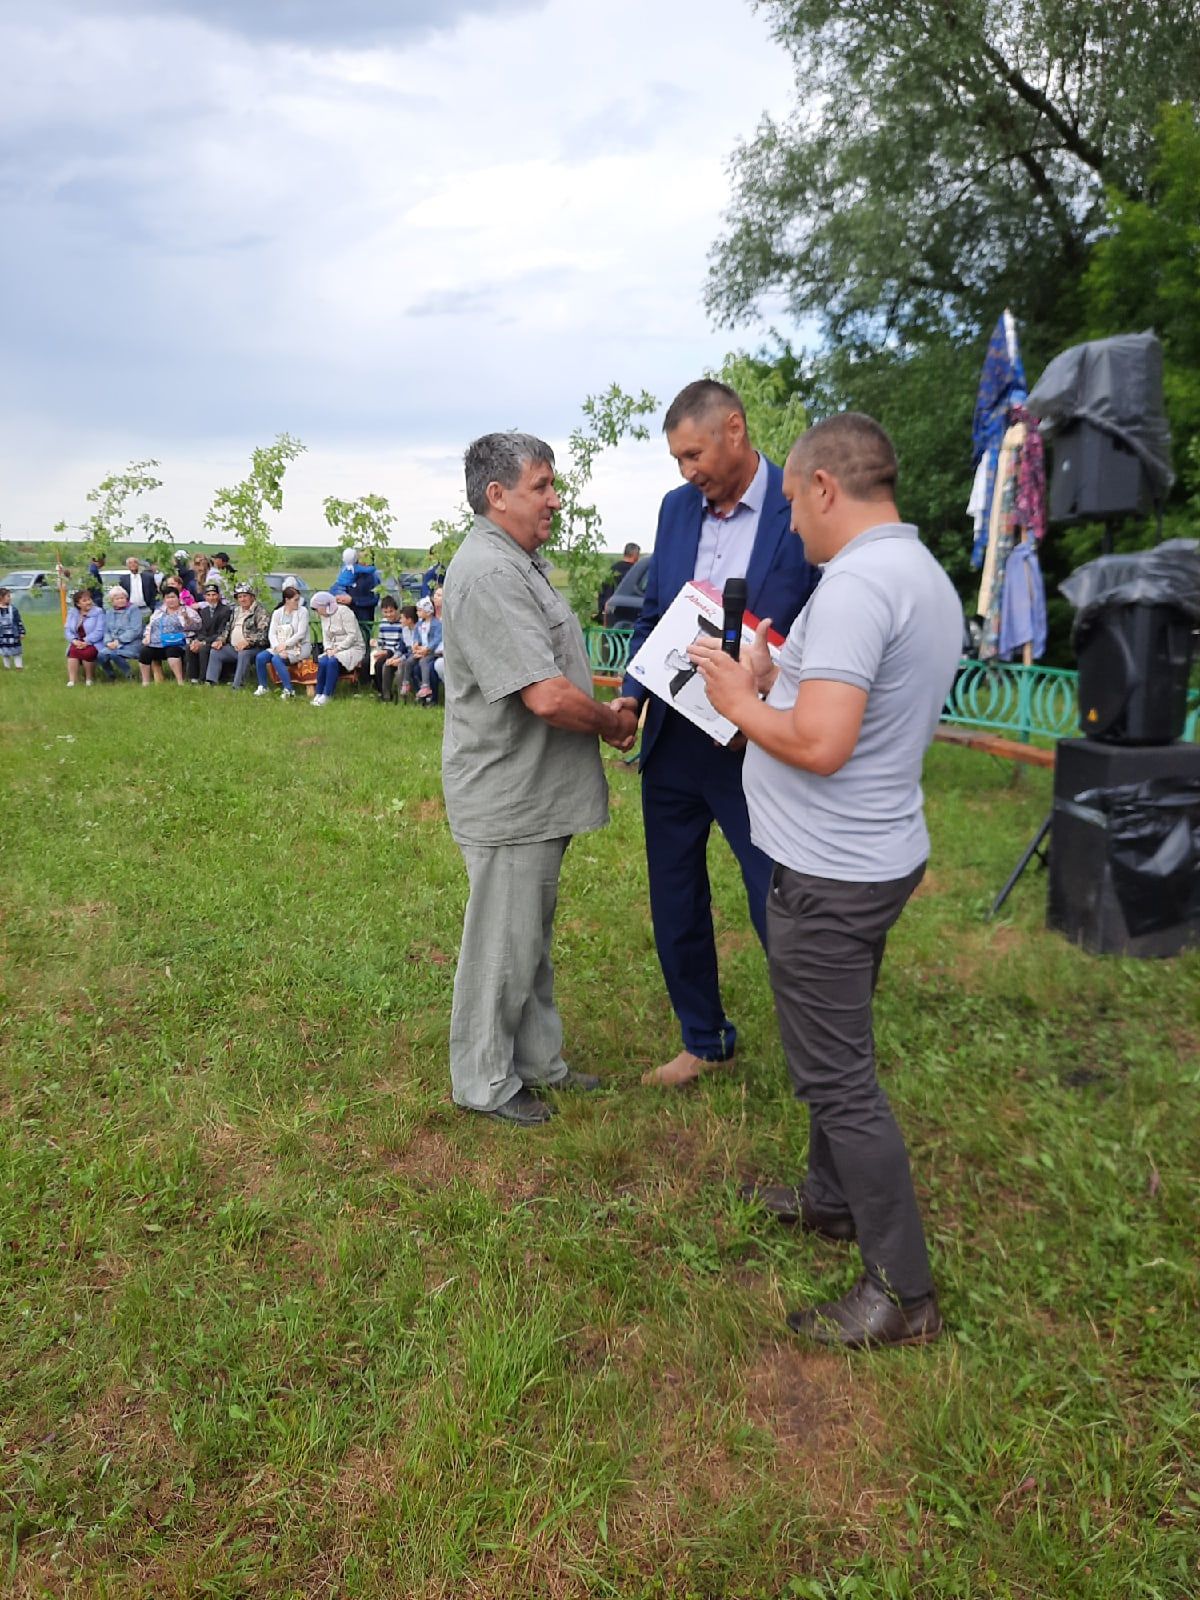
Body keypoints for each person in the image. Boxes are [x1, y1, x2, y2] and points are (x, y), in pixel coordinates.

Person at [692, 413, 962, 1350]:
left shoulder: (853, 586)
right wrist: (769, 677)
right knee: (834, 1041)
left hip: (831, 870)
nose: (790, 533)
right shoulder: (919, 574)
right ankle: (828, 1198)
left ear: (821, 487)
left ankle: (902, 1294)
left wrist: (735, 699)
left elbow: (823, 742)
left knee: (838, 1076)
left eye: (794, 508)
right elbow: (848, 711)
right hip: (877, 851)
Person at [609, 378, 819, 1087]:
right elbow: (652, 612)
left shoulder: (801, 502)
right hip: (673, 742)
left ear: (734, 429)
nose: (686, 471)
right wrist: (632, 697)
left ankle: (819, 1053)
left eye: (693, 453)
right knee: (675, 898)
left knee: (777, 899)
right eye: (676, 460)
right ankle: (703, 1038)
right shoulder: (674, 512)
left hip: (755, 743)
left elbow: (820, 616)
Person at [443, 431, 637, 1126]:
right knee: (502, 943)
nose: (556, 500)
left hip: (532, 791)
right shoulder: (491, 573)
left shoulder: (517, 563)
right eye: (543, 487)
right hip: (509, 794)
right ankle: (483, 1081)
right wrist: (611, 723)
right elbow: (546, 696)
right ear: (497, 496)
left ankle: (535, 1062)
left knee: (527, 939)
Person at [207, 581, 269, 688]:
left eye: (245, 596)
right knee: (215, 652)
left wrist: (248, 641)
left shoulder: (260, 612)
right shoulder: (236, 611)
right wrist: (220, 640)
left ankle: (238, 685)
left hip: (254, 648)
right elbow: (227, 628)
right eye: (240, 597)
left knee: (244, 654)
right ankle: (211, 681)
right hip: (234, 647)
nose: (242, 599)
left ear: (252, 597)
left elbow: (264, 634)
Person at [310, 590, 366, 705]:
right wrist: (328, 649)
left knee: (332, 661)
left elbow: (352, 635)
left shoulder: (344, 612)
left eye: (317, 609)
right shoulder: (324, 616)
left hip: (352, 647)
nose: (317, 612)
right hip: (334, 648)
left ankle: (327, 694)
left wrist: (337, 650)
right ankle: (319, 693)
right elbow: (326, 637)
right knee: (323, 661)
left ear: (324, 606)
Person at [255, 584, 310, 697]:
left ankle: (289, 690)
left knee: (276, 659)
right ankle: (262, 686)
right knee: (260, 657)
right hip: (280, 647)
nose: (298, 602)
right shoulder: (277, 613)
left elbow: (301, 633)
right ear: (287, 600)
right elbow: (272, 633)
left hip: (299, 647)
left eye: (298, 599)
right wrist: (277, 647)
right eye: (295, 600)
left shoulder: (303, 611)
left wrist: (285, 646)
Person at [139, 588, 198, 684]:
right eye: (168, 597)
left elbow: (197, 626)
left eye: (173, 597)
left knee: (172, 651)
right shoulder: (158, 612)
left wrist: (187, 618)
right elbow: (150, 626)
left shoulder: (187, 610)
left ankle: (180, 681)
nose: (171, 600)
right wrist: (147, 637)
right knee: (145, 652)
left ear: (178, 598)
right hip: (158, 643)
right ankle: (145, 682)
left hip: (178, 642)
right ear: (164, 600)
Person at [186, 582, 233, 683]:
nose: (211, 598)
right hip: (205, 638)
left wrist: (204, 642)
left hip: (219, 640)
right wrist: (197, 640)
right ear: (205, 597)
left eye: (214, 595)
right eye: (208, 595)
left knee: (204, 649)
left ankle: (204, 677)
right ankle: (193, 677)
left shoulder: (225, 610)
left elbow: (222, 631)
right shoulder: (204, 611)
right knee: (190, 646)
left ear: (219, 596)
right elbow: (201, 630)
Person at [97, 586, 143, 679]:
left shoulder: (134, 609)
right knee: (101, 655)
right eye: (117, 599)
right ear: (112, 601)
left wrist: (119, 641)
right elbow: (107, 631)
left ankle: (129, 675)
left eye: (122, 598)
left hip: (132, 643)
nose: (120, 600)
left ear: (126, 598)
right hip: (113, 644)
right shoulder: (109, 612)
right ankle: (111, 676)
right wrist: (108, 642)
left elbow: (135, 630)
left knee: (115, 654)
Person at [371, 594, 409, 699]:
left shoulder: (401, 624)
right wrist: (377, 645)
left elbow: (402, 644)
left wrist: (387, 652)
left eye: (391, 611)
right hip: (385, 649)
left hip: (394, 651)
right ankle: (380, 690)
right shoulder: (383, 623)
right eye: (385, 612)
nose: (389, 615)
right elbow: (381, 641)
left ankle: (385, 693)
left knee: (380, 663)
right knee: (371, 661)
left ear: (397, 610)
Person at [64, 588, 105, 685]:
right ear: (78, 604)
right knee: (73, 651)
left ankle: (89, 679)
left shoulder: (99, 612)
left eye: (89, 599)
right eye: (84, 601)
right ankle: (72, 680)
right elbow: (68, 629)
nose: (88, 602)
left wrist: (86, 641)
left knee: (87, 652)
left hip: (94, 642)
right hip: (77, 641)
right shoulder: (73, 613)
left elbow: (100, 631)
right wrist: (74, 640)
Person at [408, 596, 443, 704]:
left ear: (428, 611)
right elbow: (416, 637)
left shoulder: (437, 624)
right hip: (423, 652)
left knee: (426, 665)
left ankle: (429, 693)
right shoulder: (420, 624)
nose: (417, 613)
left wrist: (426, 649)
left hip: (434, 653)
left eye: (420, 610)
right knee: (411, 664)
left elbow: (437, 639)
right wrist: (416, 646)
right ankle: (415, 689)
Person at [596, 541, 641, 619]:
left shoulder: (611, 570)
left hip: (610, 613)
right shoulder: (637, 571)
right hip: (631, 615)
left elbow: (603, 593)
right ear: (635, 555)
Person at [0, 587, 26, 669]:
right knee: (5, 652)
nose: (10, 598)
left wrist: (21, 632)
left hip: (14, 634)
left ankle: (19, 666)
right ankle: (7, 667)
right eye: (8, 596)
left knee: (17, 651)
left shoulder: (13, 609)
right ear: (1, 598)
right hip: (2, 635)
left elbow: (18, 621)